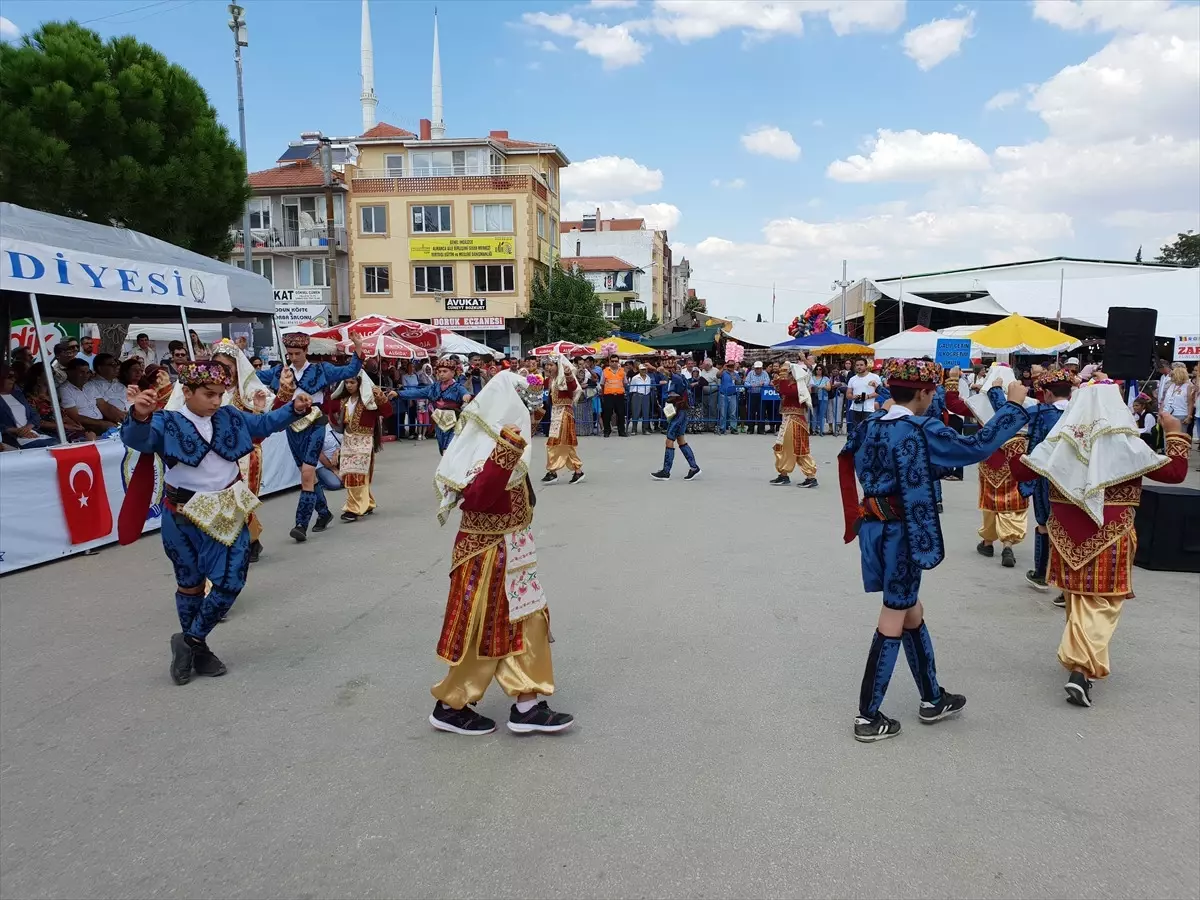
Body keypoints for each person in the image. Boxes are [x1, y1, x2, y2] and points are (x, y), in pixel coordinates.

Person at [839, 358, 1032, 742]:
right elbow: (975, 447)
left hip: (875, 530)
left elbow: (852, 461)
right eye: (932, 393)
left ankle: (932, 697)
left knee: (911, 608)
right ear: (925, 393)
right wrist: (1013, 407)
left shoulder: (870, 425)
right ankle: (867, 716)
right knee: (895, 612)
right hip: (903, 534)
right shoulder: (918, 427)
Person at [119, 361, 312, 685]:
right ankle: (201, 648)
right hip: (182, 515)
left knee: (231, 582)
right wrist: (138, 415)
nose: (215, 401)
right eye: (209, 394)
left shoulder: (230, 416)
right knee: (190, 584)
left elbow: (264, 424)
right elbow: (139, 440)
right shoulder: (167, 421)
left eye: (220, 394)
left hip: (227, 511)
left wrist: (293, 408)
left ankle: (189, 640)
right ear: (187, 391)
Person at [1009, 380, 1190, 707]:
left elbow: (1020, 473)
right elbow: (1175, 473)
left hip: (1066, 534)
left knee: (1079, 599)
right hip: (1112, 533)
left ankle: (1080, 664)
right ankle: (1081, 669)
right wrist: (1175, 432)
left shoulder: (1060, 442)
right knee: (1102, 603)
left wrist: (1016, 435)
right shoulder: (1126, 444)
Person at [427, 371, 574, 735]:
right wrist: (506, 451)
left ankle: (527, 703)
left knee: (528, 622)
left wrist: (515, 445)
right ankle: (451, 703)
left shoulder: (501, 440)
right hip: (487, 551)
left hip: (512, 546)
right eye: (522, 403)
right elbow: (477, 499)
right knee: (482, 628)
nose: (527, 410)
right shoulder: (481, 445)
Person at [258, 331, 365, 543]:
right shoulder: (280, 371)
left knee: (307, 474)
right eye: (290, 353)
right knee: (307, 474)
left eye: (297, 353)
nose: (293, 357)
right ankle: (324, 513)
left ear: (306, 351)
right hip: (292, 427)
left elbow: (351, 370)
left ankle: (301, 524)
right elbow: (252, 377)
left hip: (315, 424)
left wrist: (358, 347)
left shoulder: (321, 370)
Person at [1020, 368, 1074, 597]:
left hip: (1046, 476)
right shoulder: (1079, 412)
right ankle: (1067, 587)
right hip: (1073, 477)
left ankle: (1042, 573)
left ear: (1048, 393)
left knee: (1044, 524)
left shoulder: (1040, 412)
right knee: (1070, 529)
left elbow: (1009, 415)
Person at [976, 372, 1030, 568]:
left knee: (990, 500)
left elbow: (1005, 410)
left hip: (991, 453)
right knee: (1013, 499)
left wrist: (994, 388)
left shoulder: (984, 402)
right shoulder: (1030, 403)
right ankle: (1008, 543)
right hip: (1016, 453)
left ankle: (988, 542)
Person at [335, 370, 394, 522]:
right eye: (346, 382)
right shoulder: (343, 399)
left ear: (360, 383)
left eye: (352, 382)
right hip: (347, 441)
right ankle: (367, 503)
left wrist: (381, 396)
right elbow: (332, 415)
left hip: (364, 441)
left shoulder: (369, 399)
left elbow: (388, 412)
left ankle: (353, 508)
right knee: (350, 474)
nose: (349, 385)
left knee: (358, 474)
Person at [396, 356, 472, 454]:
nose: (441, 374)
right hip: (439, 421)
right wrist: (398, 393)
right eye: (439, 372)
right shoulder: (434, 387)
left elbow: (465, 394)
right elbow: (417, 392)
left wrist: (466, 396)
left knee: (449, 449)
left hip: (454, 421)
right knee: (442, 447)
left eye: (445, 371)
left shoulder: (457, 387)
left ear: (453, 373)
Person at [651, 357, 701, 481]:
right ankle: (694, 468)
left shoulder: (678, 379)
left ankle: (666, 471)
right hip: (678, 412)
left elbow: (673, 376)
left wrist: (664, 370)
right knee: (681, 440)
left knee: (669, 440)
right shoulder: (676, 380)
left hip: (679, 413)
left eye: (675, 368)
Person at [769, 362, 818, 488]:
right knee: (784, 447)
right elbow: (782, 391)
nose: (786, 375)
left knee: (799, 449)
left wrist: (783, 373)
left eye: (788, 373)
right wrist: (777, 382)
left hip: (795, 421)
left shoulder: (799, 387)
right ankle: (783, 474)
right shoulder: (793, 386)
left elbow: (786, 391)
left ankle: (810, 476)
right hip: (788, 420)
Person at [542, 355, 586, 485]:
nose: (548, 367)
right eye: (547, 364)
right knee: (561, 443)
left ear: (557, 366)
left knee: (558, 443)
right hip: (556, 413)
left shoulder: (563, 378)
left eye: (551, 365)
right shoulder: (552, 379)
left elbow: (572, 388)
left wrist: (568, 374)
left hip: (564, 413)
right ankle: (577, 471)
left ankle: (553, 471)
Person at [0, 363, 58, 449]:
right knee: (54, 446)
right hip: (13, 438)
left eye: (14, 377)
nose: (13, 380)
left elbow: (35, 415)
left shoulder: (18, 395)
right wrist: (16, 430)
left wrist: (28, 427)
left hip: (34, 433)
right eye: (9, 377)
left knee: (60, 444)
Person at [59, 359, 113, 435]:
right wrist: (102, 424)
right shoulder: (64, 390)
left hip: (102, 423)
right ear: (71, 373)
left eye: (87, 373)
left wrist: (122, 417)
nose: (85, 376)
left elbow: (103, 405)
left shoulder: (90, 385)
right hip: (86, 428)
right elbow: (75, 417)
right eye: (81, 372)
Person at [844, 357, 880, 433]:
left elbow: (879, 392)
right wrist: (854, 396)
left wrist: (867, 396)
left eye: (861, 365)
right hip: (855, 408)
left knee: (867, 431)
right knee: (856, 432)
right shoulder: (852, 379)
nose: (859, 367)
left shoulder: (875, 377)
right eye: (857, 365)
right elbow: (848, 394)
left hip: (869, 409)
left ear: (866, 366)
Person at [599, 354, 627, 437]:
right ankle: (607, 431)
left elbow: (625, 383)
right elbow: (602, 384)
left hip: (619, 395)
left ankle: (621, 431)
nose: (614, 363)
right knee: (607, 414)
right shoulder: (605, 371)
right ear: (609, 362)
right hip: (608, 395)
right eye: (612, 361)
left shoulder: (622, 371)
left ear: (618, 362)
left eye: (616, 361)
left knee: (621, 414)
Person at [717, 360, 740, 435]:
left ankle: (733, 428)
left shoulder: (736, 373)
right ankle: (722, 428)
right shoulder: (723, 372)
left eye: (732, 365)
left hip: (733, 395)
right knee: (723, 413)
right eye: (729, 365)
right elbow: (717, 375)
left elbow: (739, 382)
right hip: (723, 394)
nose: (730, 367)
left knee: (733, 413)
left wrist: (736, 378)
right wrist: (723, 368)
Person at [809, 365, 831, 435]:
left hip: (823, 398)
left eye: (820, 369)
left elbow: (829, 388)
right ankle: (814, 429)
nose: (818, 370)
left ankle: (820, 429)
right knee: (814, 414)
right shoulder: (812, 378)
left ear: (823, 370)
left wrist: (823, 386)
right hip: (814, 397)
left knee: (821, 414)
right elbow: (809, 387)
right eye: (817, 369)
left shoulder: (826, 378)